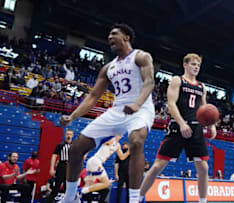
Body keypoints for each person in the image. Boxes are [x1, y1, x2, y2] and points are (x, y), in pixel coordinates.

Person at [59, 23, 155, 203]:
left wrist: (136, 104)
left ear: (126, 37)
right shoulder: (108, 68)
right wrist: (72, 117)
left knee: (135, 141)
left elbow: (149, 83)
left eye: (114, 34)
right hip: (117, 110)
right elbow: (93, 96)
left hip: (141, 108)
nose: (109, 37)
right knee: (75, 149)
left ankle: (134, 199)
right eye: (109, 35)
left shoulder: (141, 56)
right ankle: (70, 197)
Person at [139, 53, 217, 203]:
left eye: (198, 65)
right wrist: (182, 123)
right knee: (157, 166)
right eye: (193, 64)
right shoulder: (177, 80)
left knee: (204, 168)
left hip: (196, 129)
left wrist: (212, 125)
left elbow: (205, 108)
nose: (196, 67)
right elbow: (171, 104)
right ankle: (138, 197)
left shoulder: (202, 87)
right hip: (178, 127)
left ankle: (202, 201)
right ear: (185, 65)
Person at [79, 136, 124, 202]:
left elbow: (122, 157)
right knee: (106, 183)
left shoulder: (118, 145)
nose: (121, 134)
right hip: (96, 161)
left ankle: (79, 196)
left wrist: (130, 151)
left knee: (89, 186)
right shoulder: (110, 140)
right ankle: (80, 191)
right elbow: (100, 141)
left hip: (94, 162)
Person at [48, 129, 74, 202]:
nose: (68, 135)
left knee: (68, 186)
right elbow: (54, 156)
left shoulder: (74, 146)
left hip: (70, 167)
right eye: (67, 134)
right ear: (65, 135)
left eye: (70, 134)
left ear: (72, 135)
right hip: (62, 165)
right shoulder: (60, 145)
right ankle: (50, 201)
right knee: (57, 185)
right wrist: (52, 168)